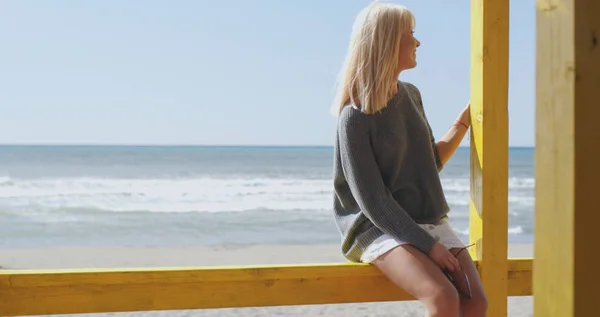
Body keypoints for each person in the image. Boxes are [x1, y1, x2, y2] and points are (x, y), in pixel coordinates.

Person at [331, 2, 487, 317]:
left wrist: (464, 122)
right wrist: (430, 247)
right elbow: (374, 202)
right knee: (443, 297)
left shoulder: (411, 95)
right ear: (387, 40)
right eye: (410, 34)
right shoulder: (354, 116)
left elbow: (429, 164)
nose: (417, 42)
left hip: (427, 219)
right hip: (377, 227)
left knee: (476, 302)